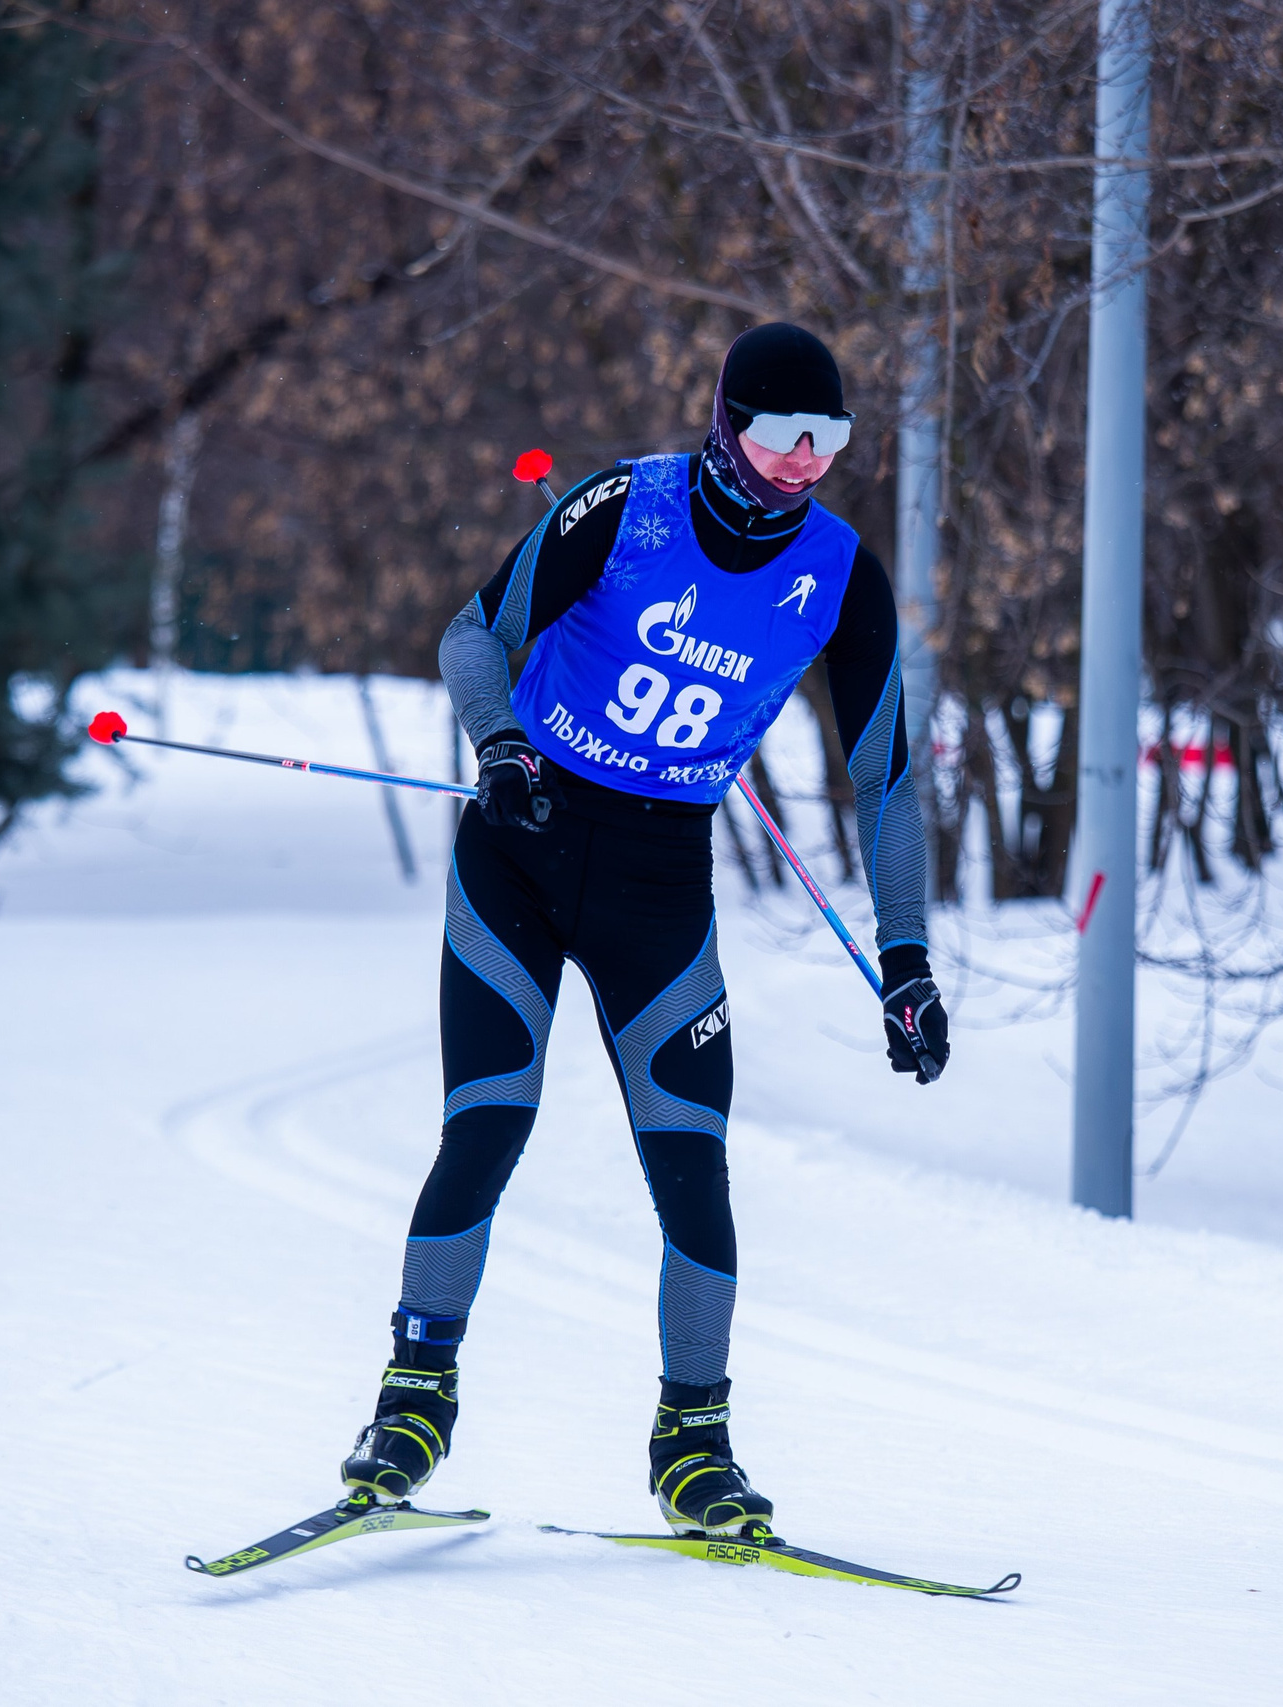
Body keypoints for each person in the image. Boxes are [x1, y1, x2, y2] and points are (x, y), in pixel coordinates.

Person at [339, 324, 951, 1540]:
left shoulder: (838, 573)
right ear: (727, 425)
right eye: (781, 438)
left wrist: (907, 962)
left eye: (827, 442)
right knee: (488, 1126)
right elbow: (474, 636)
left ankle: (694, 1445)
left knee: (691, 1167)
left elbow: (885, 780)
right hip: (523, 846)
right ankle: (413, 1396)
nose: (802, 466)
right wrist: (499, 744)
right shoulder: (624, 507)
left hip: (660, 886)